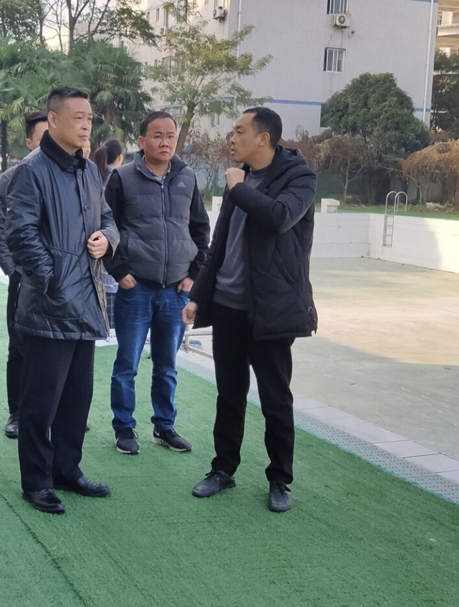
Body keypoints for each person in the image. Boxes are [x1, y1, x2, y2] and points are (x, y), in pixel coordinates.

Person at [183, 107, 318, 513]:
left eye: (239, 131)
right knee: (229, 394)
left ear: (263, 138)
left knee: (275, 398)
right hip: (227, 306)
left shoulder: (299, 177)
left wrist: (239, 189)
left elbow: (279, 218)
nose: (231, 137)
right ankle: (223, 469)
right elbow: (221, 242)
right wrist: (199, 295)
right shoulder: (238, 179)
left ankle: (280, 480)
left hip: (271, 308)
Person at [6, 87, 119, 515]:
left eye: (90, 118)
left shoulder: (88, 170)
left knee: (77, 397)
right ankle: (36, 481)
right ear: (52, 120)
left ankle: (67, 470)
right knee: (41, 401)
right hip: (50, 304)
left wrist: (106, 238)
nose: (87, 124)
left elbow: (108, 218)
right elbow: (20, 234)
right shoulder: (30, 171)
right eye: (78, 117)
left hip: (86, 299)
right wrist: (51, 281)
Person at [104, 112, 210, 455]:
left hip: (175, 290)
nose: (165, 142)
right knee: (127, 364)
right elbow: (105, 225)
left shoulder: (187, 177)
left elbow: (200, 230)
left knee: (167, 365)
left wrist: (193, 275)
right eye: (157, 136)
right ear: (142, 141)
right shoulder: (122, 178)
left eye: (170, 136)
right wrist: (119, 271)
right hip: (136, 288)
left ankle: (164, 427)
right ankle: (124, 428)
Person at [0, 111, 49, 439]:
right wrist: (12, 269)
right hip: (24, 276)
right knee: (21, 346)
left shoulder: (75, 173)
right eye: (43, 138)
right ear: (29, 142)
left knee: (58, 346)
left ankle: (53, 410)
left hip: (63, 278)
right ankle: (18, 412)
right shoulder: (12, 177)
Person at [91, 139, 125, 335]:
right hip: (111, 253)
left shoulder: (91, 176)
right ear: (120, 157)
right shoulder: (119, 180)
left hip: (91, 253)